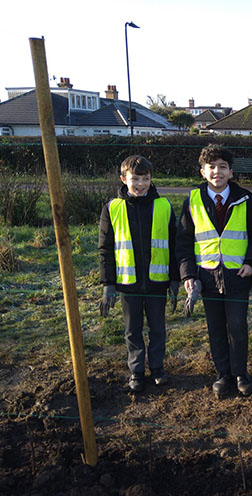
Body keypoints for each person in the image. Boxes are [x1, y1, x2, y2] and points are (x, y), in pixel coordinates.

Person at [176, 145, 252, 399]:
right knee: (215, 328)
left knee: (237, 326)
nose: (217, 172)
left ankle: (240, 374)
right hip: (207, 276)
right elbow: (183, 241)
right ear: (203, 172)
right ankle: (222, 374)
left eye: (223, 167)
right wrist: (188, 274)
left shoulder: (245, 199)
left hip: (238, 276)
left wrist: (251, 262)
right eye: (211, 167)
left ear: (231, 171)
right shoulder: (192, 200)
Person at [98, 155, 179, 393]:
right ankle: (136, 371)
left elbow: (174, 244)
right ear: (124, 179)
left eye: (145, 179)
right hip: (127, 283)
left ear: (151, 179)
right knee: (132, 330)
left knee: (158, 329)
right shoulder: (112, 208)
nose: (141, 184)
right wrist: (108, 284)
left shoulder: (164, 206)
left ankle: (157, 369)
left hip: (157, 282)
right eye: (135, 179)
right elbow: (105, 249)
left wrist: (175, 279)